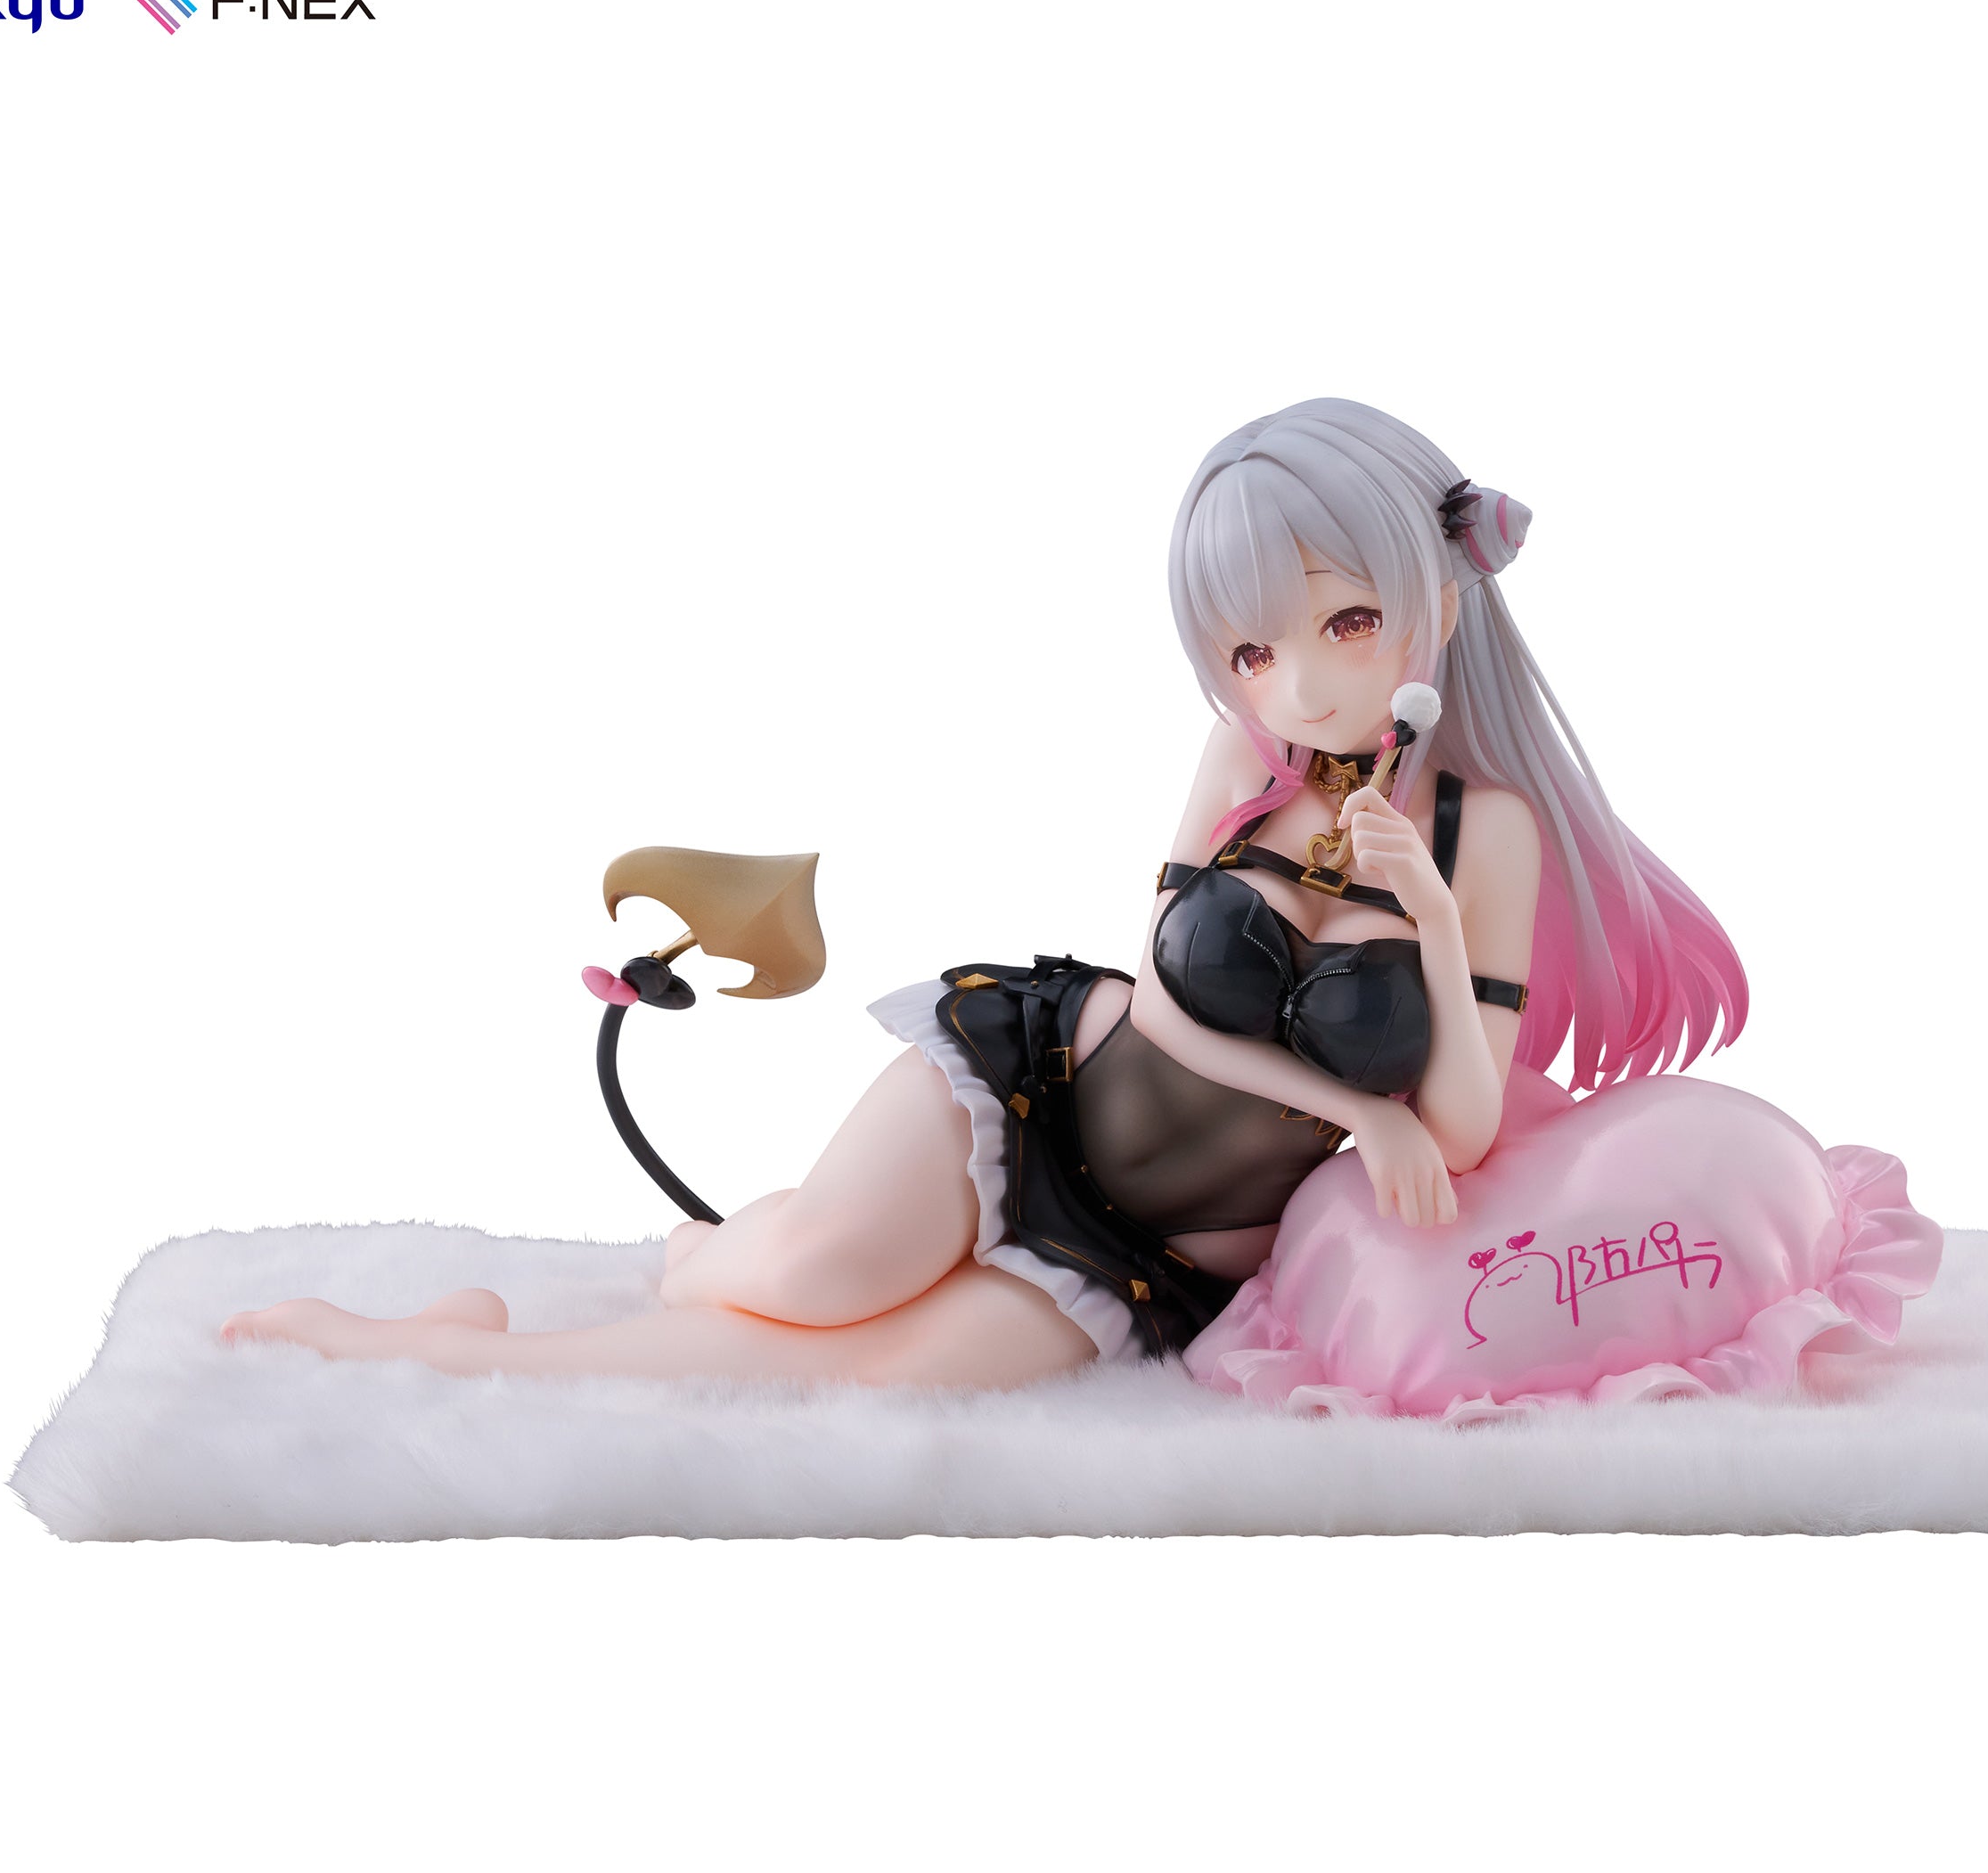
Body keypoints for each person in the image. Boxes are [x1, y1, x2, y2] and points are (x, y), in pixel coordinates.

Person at [220, 398, 1747, 1385]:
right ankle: (564, 1303)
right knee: (814, 1273)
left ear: (1438, 598)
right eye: (1253, 648)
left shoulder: (1489, 837)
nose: (1300, 682)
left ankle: (497, 1340)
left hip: (1168, 1252)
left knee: (852, 1383)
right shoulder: (1243, 757)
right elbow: (1166, 1003)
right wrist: (1361, 1111)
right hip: (1042, 1085)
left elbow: (1463, 1127)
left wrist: (1428, 922)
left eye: (1347, 622)